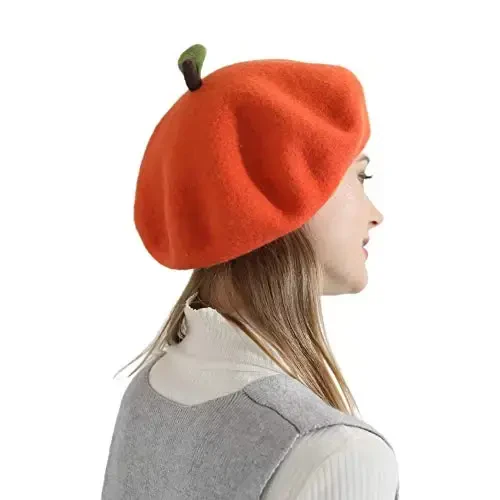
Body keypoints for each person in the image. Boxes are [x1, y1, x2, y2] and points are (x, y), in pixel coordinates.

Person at [101, 44, 400, 499]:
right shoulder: (338, 454)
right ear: (289, 188)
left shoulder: (150, 389)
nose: (375, 214)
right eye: (361, 178)